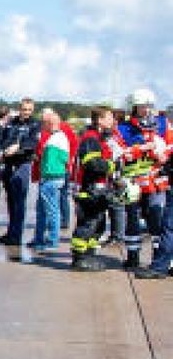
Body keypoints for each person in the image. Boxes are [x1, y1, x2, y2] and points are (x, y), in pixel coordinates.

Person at [116, 88, 169, 268]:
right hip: (133, 184)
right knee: (132, 222)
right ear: (134, 107)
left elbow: (170, 145)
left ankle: (159, 258)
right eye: (141, 106)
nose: (146, 110)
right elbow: (122, 154)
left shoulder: (162, 124)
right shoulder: (123, 128)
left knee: (157, 221)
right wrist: (144, 148)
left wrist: (162, 152)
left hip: (156, 182)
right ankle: (132, 257)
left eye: (148, 106)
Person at [70, 108, 119, 271]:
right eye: (110, 118)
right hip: (88, 190)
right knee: (88, 225)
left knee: (98, 226)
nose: (113, 121)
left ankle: (89, 255)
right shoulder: (91, 139)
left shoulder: (98, 138)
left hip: (96, 189)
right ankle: (79, 259)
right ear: (99, 120)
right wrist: (112, 166)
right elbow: (92, 164)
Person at [0, 98, 41, 246]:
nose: (27, 112)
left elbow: (33, 143)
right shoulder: (11, 122)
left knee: (19, 201)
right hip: (8, 163)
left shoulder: (35, 124)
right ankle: (11, 232)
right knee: (10, 200)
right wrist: (3, 150)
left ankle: (17, 235)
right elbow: (3, 139)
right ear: (20, 108)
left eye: (29, 110)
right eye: (24, 109)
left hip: (23, 163)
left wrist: (18, 147)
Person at [29, 109, 70, 251]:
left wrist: (41, 162)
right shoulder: (59, 138)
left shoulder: (55, 139)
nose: (42, 125)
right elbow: (64, 159)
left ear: (49, 124)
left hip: (51, 179)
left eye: (44, 123)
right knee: (44, 211)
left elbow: (53, 162)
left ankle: (52, 241)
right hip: (51, 178)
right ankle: (40, 239)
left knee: (51, 211)